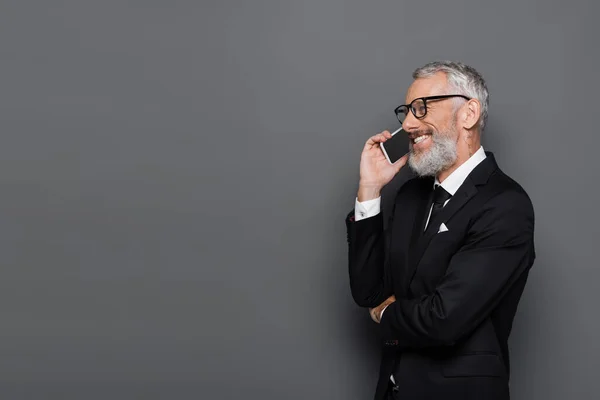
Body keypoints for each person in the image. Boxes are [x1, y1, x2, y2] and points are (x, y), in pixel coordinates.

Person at [345, 61, 536, 400]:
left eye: (421, 109)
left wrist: (386, 312)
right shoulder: (409, 196)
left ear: (469, 114)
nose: (406, 124)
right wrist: (369, 191)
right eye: (406, 111)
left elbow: (444, 320)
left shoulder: (506, 205)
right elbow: (368, 293)